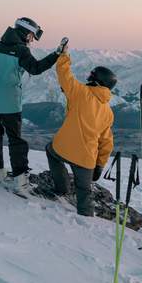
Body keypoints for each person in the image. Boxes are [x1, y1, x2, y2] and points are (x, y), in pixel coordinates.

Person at [0, 17, 62, 195]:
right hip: (9, 102)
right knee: (15, 139)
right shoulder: (20, 50)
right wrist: (57, 54)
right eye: (31, 36)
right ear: (25, 33)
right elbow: (36, 69)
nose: (31, 40)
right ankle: (20, 182)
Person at [46, 41, 116, 216]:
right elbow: (106, 142)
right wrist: (99, 166)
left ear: (95, 80)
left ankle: (61, 189)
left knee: (50, 151)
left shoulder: (80, 92)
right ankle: (86, 220)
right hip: (86, 159)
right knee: (85, 192)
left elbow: (64, 75)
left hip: (62, 148)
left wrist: (64, 55)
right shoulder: (108, 111)